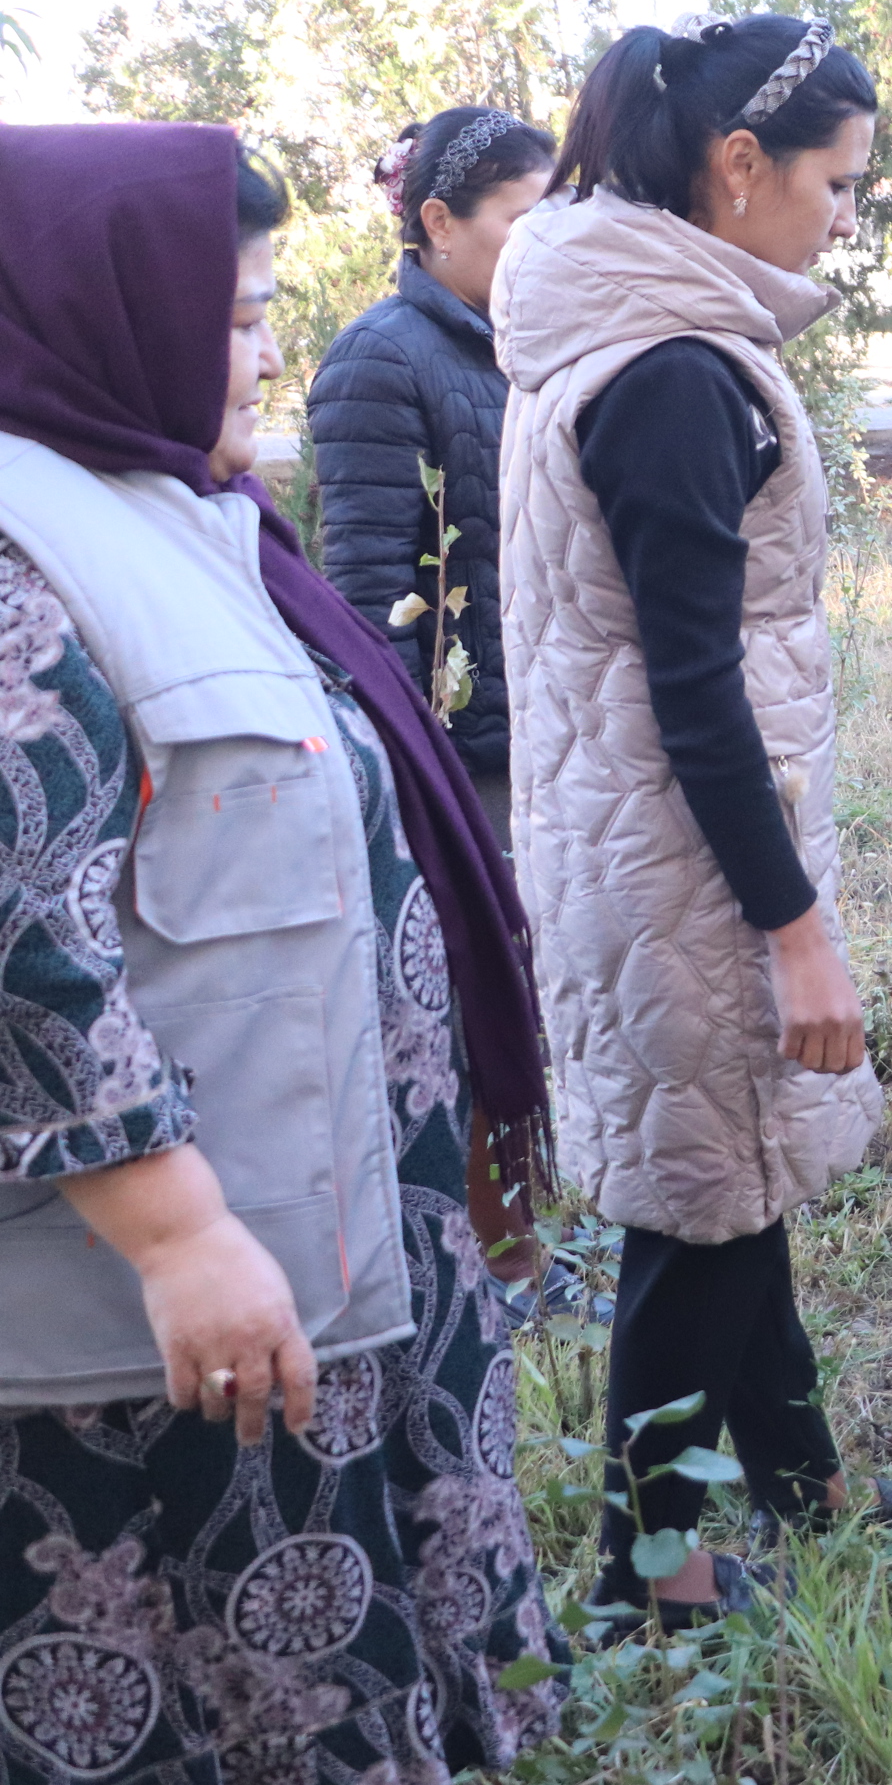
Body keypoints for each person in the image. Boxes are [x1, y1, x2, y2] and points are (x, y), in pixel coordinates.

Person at [0, 123, 563, 1775]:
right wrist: (174, 1229)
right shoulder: (24, 561)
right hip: (166, 1309)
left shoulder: (173, 507)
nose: (260, 351)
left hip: (324, 1228)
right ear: (89, 314)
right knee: (205, 1668)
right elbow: (26, 928)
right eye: (232, 315)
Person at [495, 12, 892, 1630]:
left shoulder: (632, 333)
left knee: (731, 1179)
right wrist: (798, 927)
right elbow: (694, 689)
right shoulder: (673, 375)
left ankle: (803, 1480)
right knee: (694, 1219)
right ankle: (658, 1568)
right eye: (839, 184)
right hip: (684, 870)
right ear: (737, 163)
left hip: (658, 846)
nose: (850, 216)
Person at [314, 106, 558, 844]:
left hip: (554, 737)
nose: (541, 250)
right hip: (464, 770)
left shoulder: (530, 348)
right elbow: (369, 599)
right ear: (440, 223)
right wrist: (412, 775)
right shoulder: (378, 359)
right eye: (522, 224)